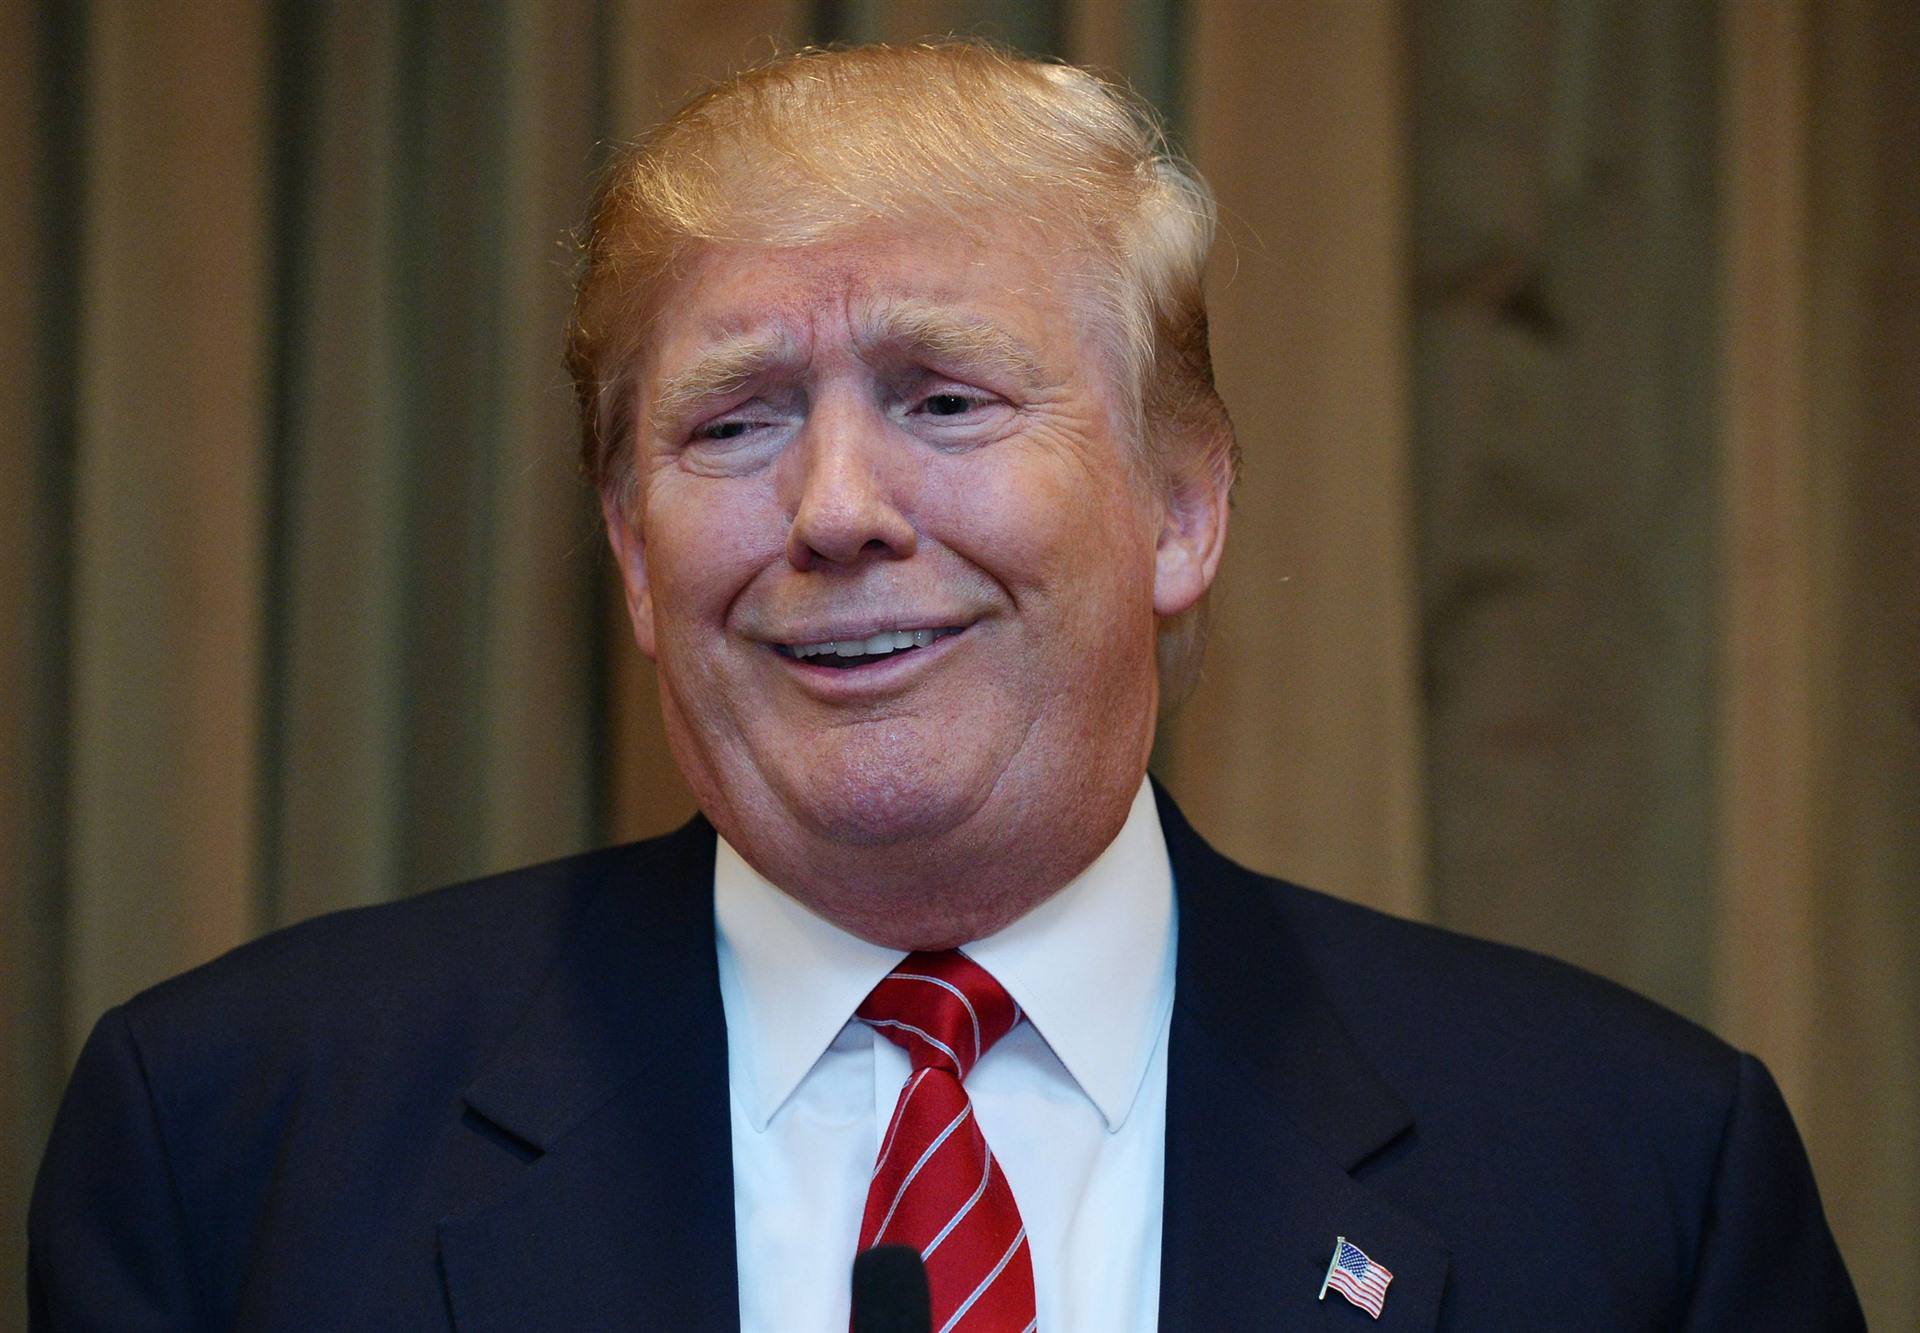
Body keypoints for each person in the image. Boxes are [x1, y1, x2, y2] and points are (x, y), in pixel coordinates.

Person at [29, 42, 1862, 1332]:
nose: (835, 508)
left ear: (1183, 504)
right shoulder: (232, 1146)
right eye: (734, 422)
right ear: (632, 554)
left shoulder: (1636, 1175)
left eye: (946, 398)